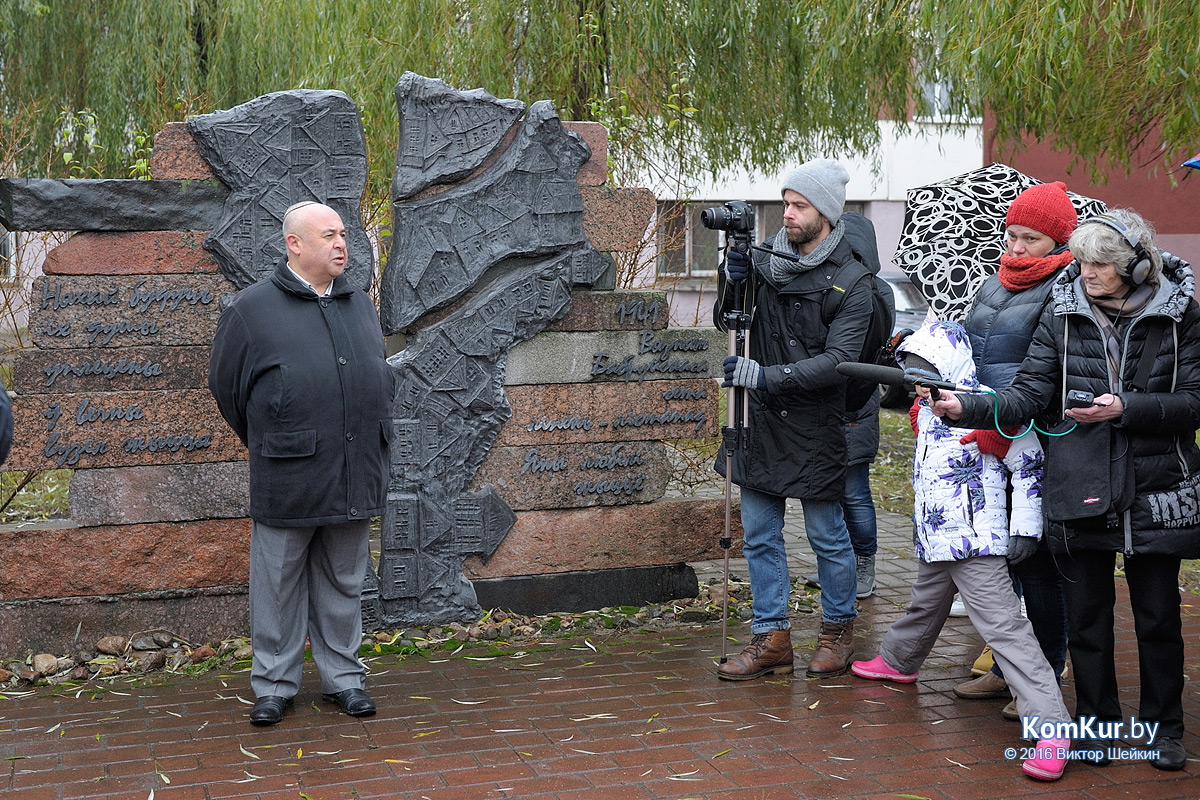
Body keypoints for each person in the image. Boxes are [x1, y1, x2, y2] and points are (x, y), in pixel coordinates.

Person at [929, 209, 1200, 771]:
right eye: (1081, 262)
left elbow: (1196, 401)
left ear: (1136, 265)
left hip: (1157, 486)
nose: (1086, 273)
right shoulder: (1063, 310)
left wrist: (1129, 408)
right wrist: (969, 407)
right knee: (1088, 618)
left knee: (1157, 617)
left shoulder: (1183, 316)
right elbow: (1029, 392)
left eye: (1100, 264)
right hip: (1079, 482)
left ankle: (1164, 730)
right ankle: (1096, 725)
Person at [850, 321, 1072, 782]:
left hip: (975, 539)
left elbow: (1029, 463)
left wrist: (1025, 530)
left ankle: (1052, 726)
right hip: (937, 537)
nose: (914, 383)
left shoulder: (985, 407)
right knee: (926, 602)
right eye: (909, 373)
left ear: (946, 368)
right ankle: (898, 660)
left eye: (923, 372)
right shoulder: (926, 409)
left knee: (1004, 628)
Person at [209, 201, 394, 726]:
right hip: (288, 475)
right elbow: (228, 389)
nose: (342, 244)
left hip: (353, 470)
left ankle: (344, 680)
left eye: (343, 234)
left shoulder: (359, 303)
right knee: (278, 583)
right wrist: (275, 437)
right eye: (329, 235)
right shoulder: (251, 309)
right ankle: (273, 685)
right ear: (294, 244)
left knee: (344, 580)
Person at [713, 159, 872, 680]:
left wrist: (767, 376)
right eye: (785, 203)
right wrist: (730, 281)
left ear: (825, 212)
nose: (788, 214)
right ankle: (772, 637)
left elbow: (837, 361)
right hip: (760, 423)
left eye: (799, 205)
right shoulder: (766, 263)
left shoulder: (853, 281)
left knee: (827, 534)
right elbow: (727, 319)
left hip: (816, 424)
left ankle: (837, 631)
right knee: (759, 534)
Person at [954, 182, 1077, 719]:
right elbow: (971, 343)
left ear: (1056, 241)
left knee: (1038, 563)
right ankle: (1010, 667)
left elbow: (1054, 370)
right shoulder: (991, 283)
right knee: (1001, 559)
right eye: (1012, 233)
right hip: (988, 433)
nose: (1018, 246)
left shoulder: (1067, 287)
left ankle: (1047, 668)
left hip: (1036, 439)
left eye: (1032, 237)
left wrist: (1006, 414)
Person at [805, 214, 898, 600]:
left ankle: (864, 566)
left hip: (855, 403)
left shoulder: (871, 290)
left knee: (854, 490)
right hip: (838, 400)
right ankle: (841, 567)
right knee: (832, 488)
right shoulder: (843, 284)